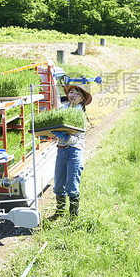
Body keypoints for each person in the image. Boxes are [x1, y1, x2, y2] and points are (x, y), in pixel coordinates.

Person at [50, 84, 92, 219]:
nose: (73, 96)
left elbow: (78, 138)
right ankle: (59, 213)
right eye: (71, 92)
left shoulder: (80, 114)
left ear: (82, 100)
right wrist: (48, 134)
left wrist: (67, 137)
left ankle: (73, 217)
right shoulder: (63, 109)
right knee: (58, 185)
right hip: (61, 152)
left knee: (71, 186)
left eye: (77, 94)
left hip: (74, 152)